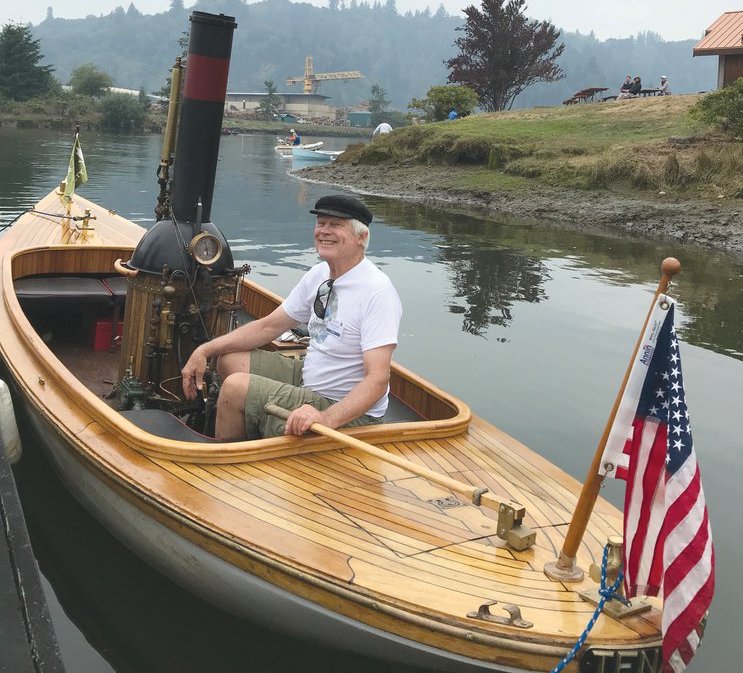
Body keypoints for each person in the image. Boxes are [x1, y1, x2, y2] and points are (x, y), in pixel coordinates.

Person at [182, 195, 402, 441]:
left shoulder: (377, 291)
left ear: (362, 238)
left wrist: (326, 418)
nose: (324, 231)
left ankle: (231, 464)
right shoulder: (319, 274)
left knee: (234, 389)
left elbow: (378, 379)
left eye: (336, 225)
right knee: (229, 360)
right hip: (310, 377)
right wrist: (204, 350)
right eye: (321, 223)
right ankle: (257, 430)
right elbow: (269, 326)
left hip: (345, 411)